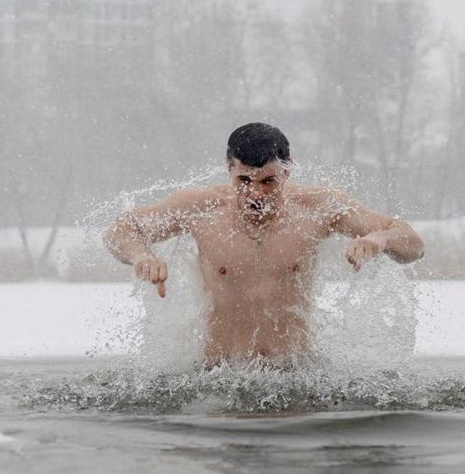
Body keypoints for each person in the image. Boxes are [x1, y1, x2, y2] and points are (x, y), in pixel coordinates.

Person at [104, 122, 425, 365]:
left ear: (287, 171)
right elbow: (121, 229)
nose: (255, 194)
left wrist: (378, 239)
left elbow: (412, 244)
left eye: (268, 181)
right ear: (229, 170)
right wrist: (140, 256)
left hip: (294, 375)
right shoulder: (201, 208)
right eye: (243, 180)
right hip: (218, 375)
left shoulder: (319, 207)